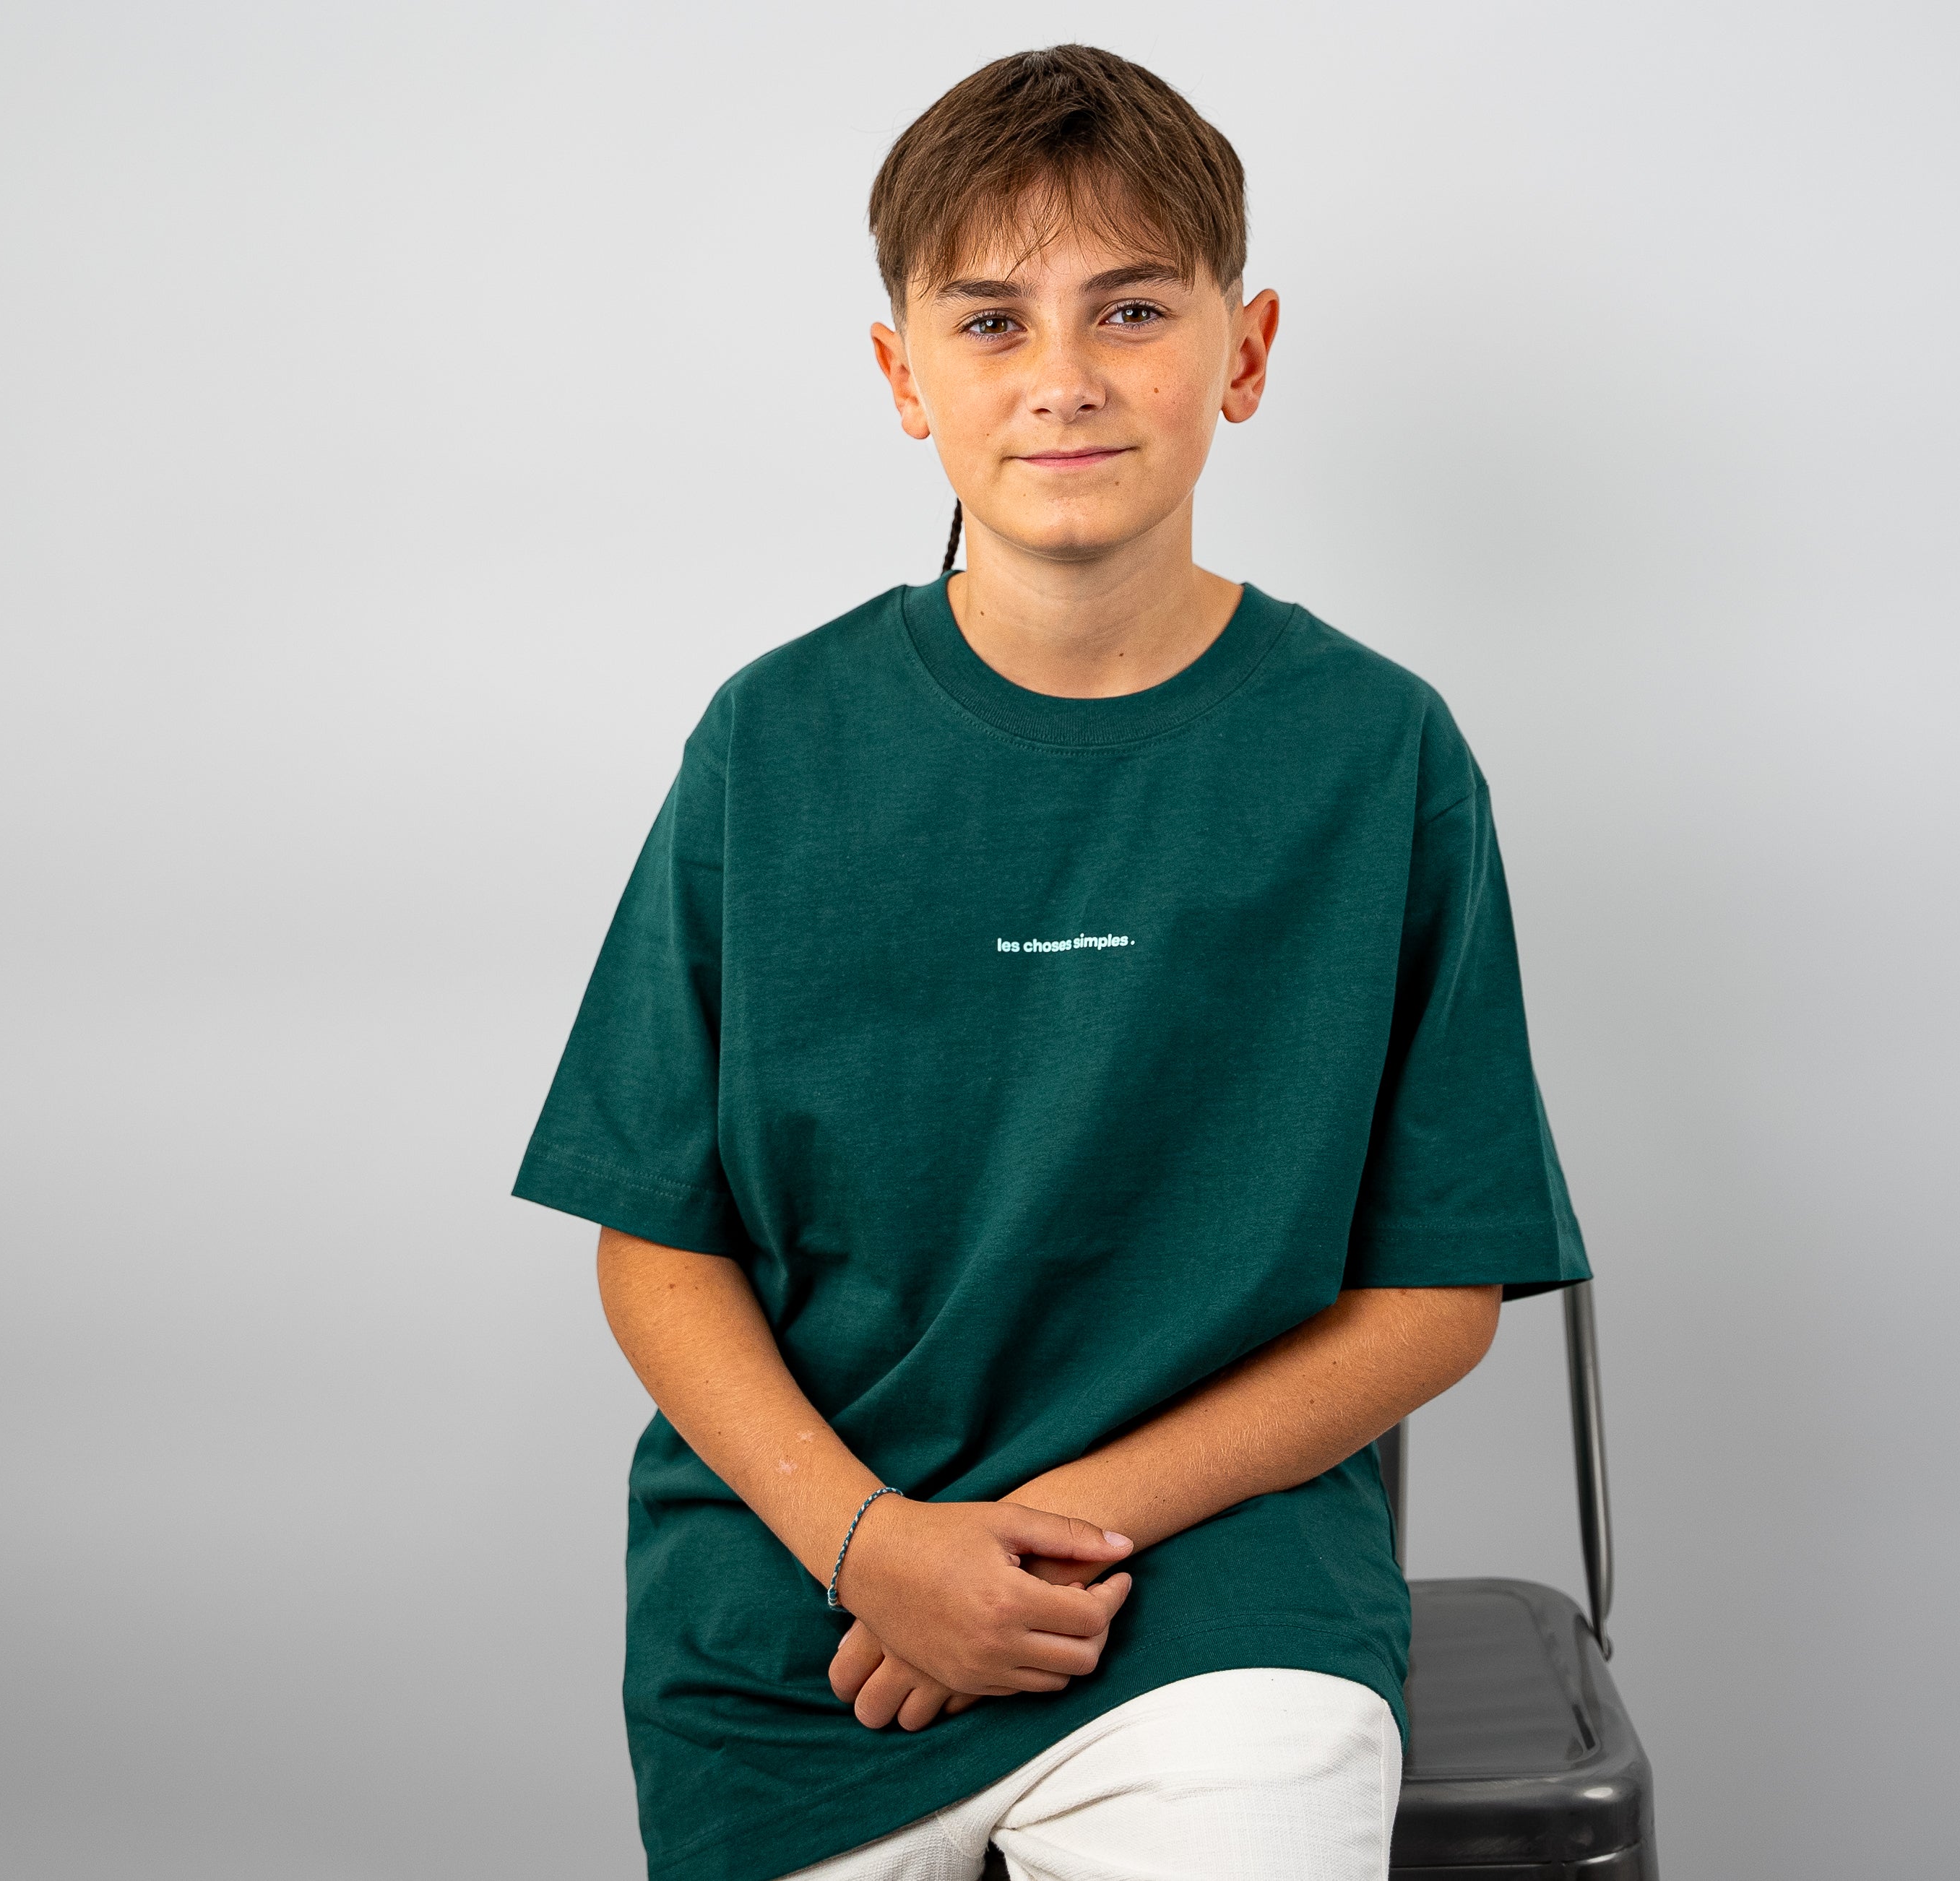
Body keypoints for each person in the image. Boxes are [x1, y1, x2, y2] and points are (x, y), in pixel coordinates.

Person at [511, 43, 1589, 1881]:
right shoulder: (772, 744)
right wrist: (875, 1547)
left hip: (1215, 1588)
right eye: (992, 322)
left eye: (1131, 310)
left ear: (1244, 352)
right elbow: (653, 1238)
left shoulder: (1373, 753)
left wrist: (1048, 1534)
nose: (1063, 377)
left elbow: (1435, 1291)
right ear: (900, 376)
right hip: (804, 1606)